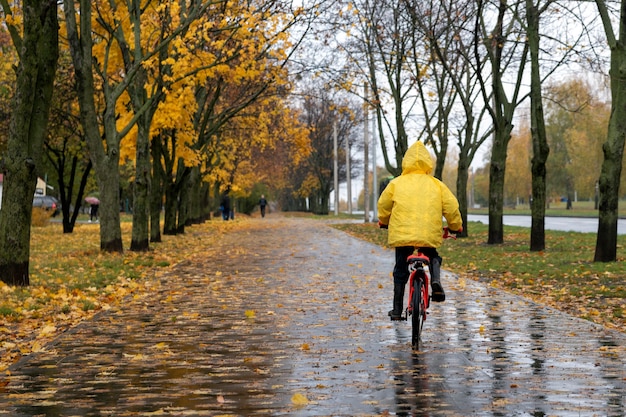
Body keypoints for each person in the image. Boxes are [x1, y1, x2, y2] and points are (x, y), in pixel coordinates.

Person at [377, 140, 463, 321]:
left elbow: (383, 206)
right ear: (427, 162)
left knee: (400, 269)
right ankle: (435, 281)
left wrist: (384, 221)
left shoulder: (395, 184)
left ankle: (397, 310)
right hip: (428, 235)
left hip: (403, 237)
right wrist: (455, 227)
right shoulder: (437, 185)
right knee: (434, 257)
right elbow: (452, 207)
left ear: (406, 162)